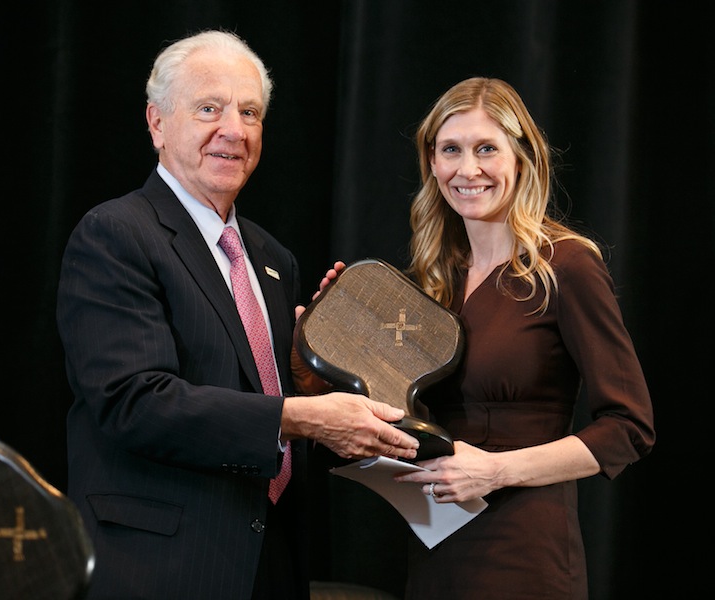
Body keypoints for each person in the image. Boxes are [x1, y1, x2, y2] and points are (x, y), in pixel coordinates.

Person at [55, 30, 418, 600]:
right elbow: (134, 402)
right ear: (156, 123)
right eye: (209, 109)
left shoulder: (273, 258)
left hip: (269, 563)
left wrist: (319, 383)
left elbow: (269, 412)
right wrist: (300, 414)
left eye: (250, 112)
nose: (234, 130)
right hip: (161, 567)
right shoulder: (116, 234)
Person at [386, 77, 657, 599]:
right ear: (432, 164)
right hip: (437, 547)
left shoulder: (567, 266)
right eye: (451, 150)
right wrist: (331, 336)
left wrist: (495, 471)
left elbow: (630, 427)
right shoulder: (437, 280)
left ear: (522, 158)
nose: (468, 169)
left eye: (487, 148)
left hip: (522, 554)